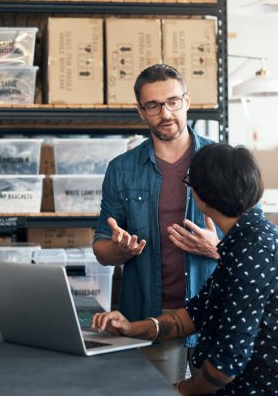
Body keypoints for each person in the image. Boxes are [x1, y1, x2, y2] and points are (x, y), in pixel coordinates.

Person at [92, 143, 278, 396]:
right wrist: (131, 327)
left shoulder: (253, 249)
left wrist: (181, 390)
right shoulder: (241, 240)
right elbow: (193, 315)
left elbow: (229, 360)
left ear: (202, 196)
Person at [93, 64, 221, 383]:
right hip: (152, 320)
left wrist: (218, 248)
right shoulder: (121, 170)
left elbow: (261, 246)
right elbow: (101, 249)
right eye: (153, 105)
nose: (165, 113)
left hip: (216, 319)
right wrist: (119, 250)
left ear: (187, 101)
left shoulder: (224, 161)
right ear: (140, 111)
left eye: (173, 102)